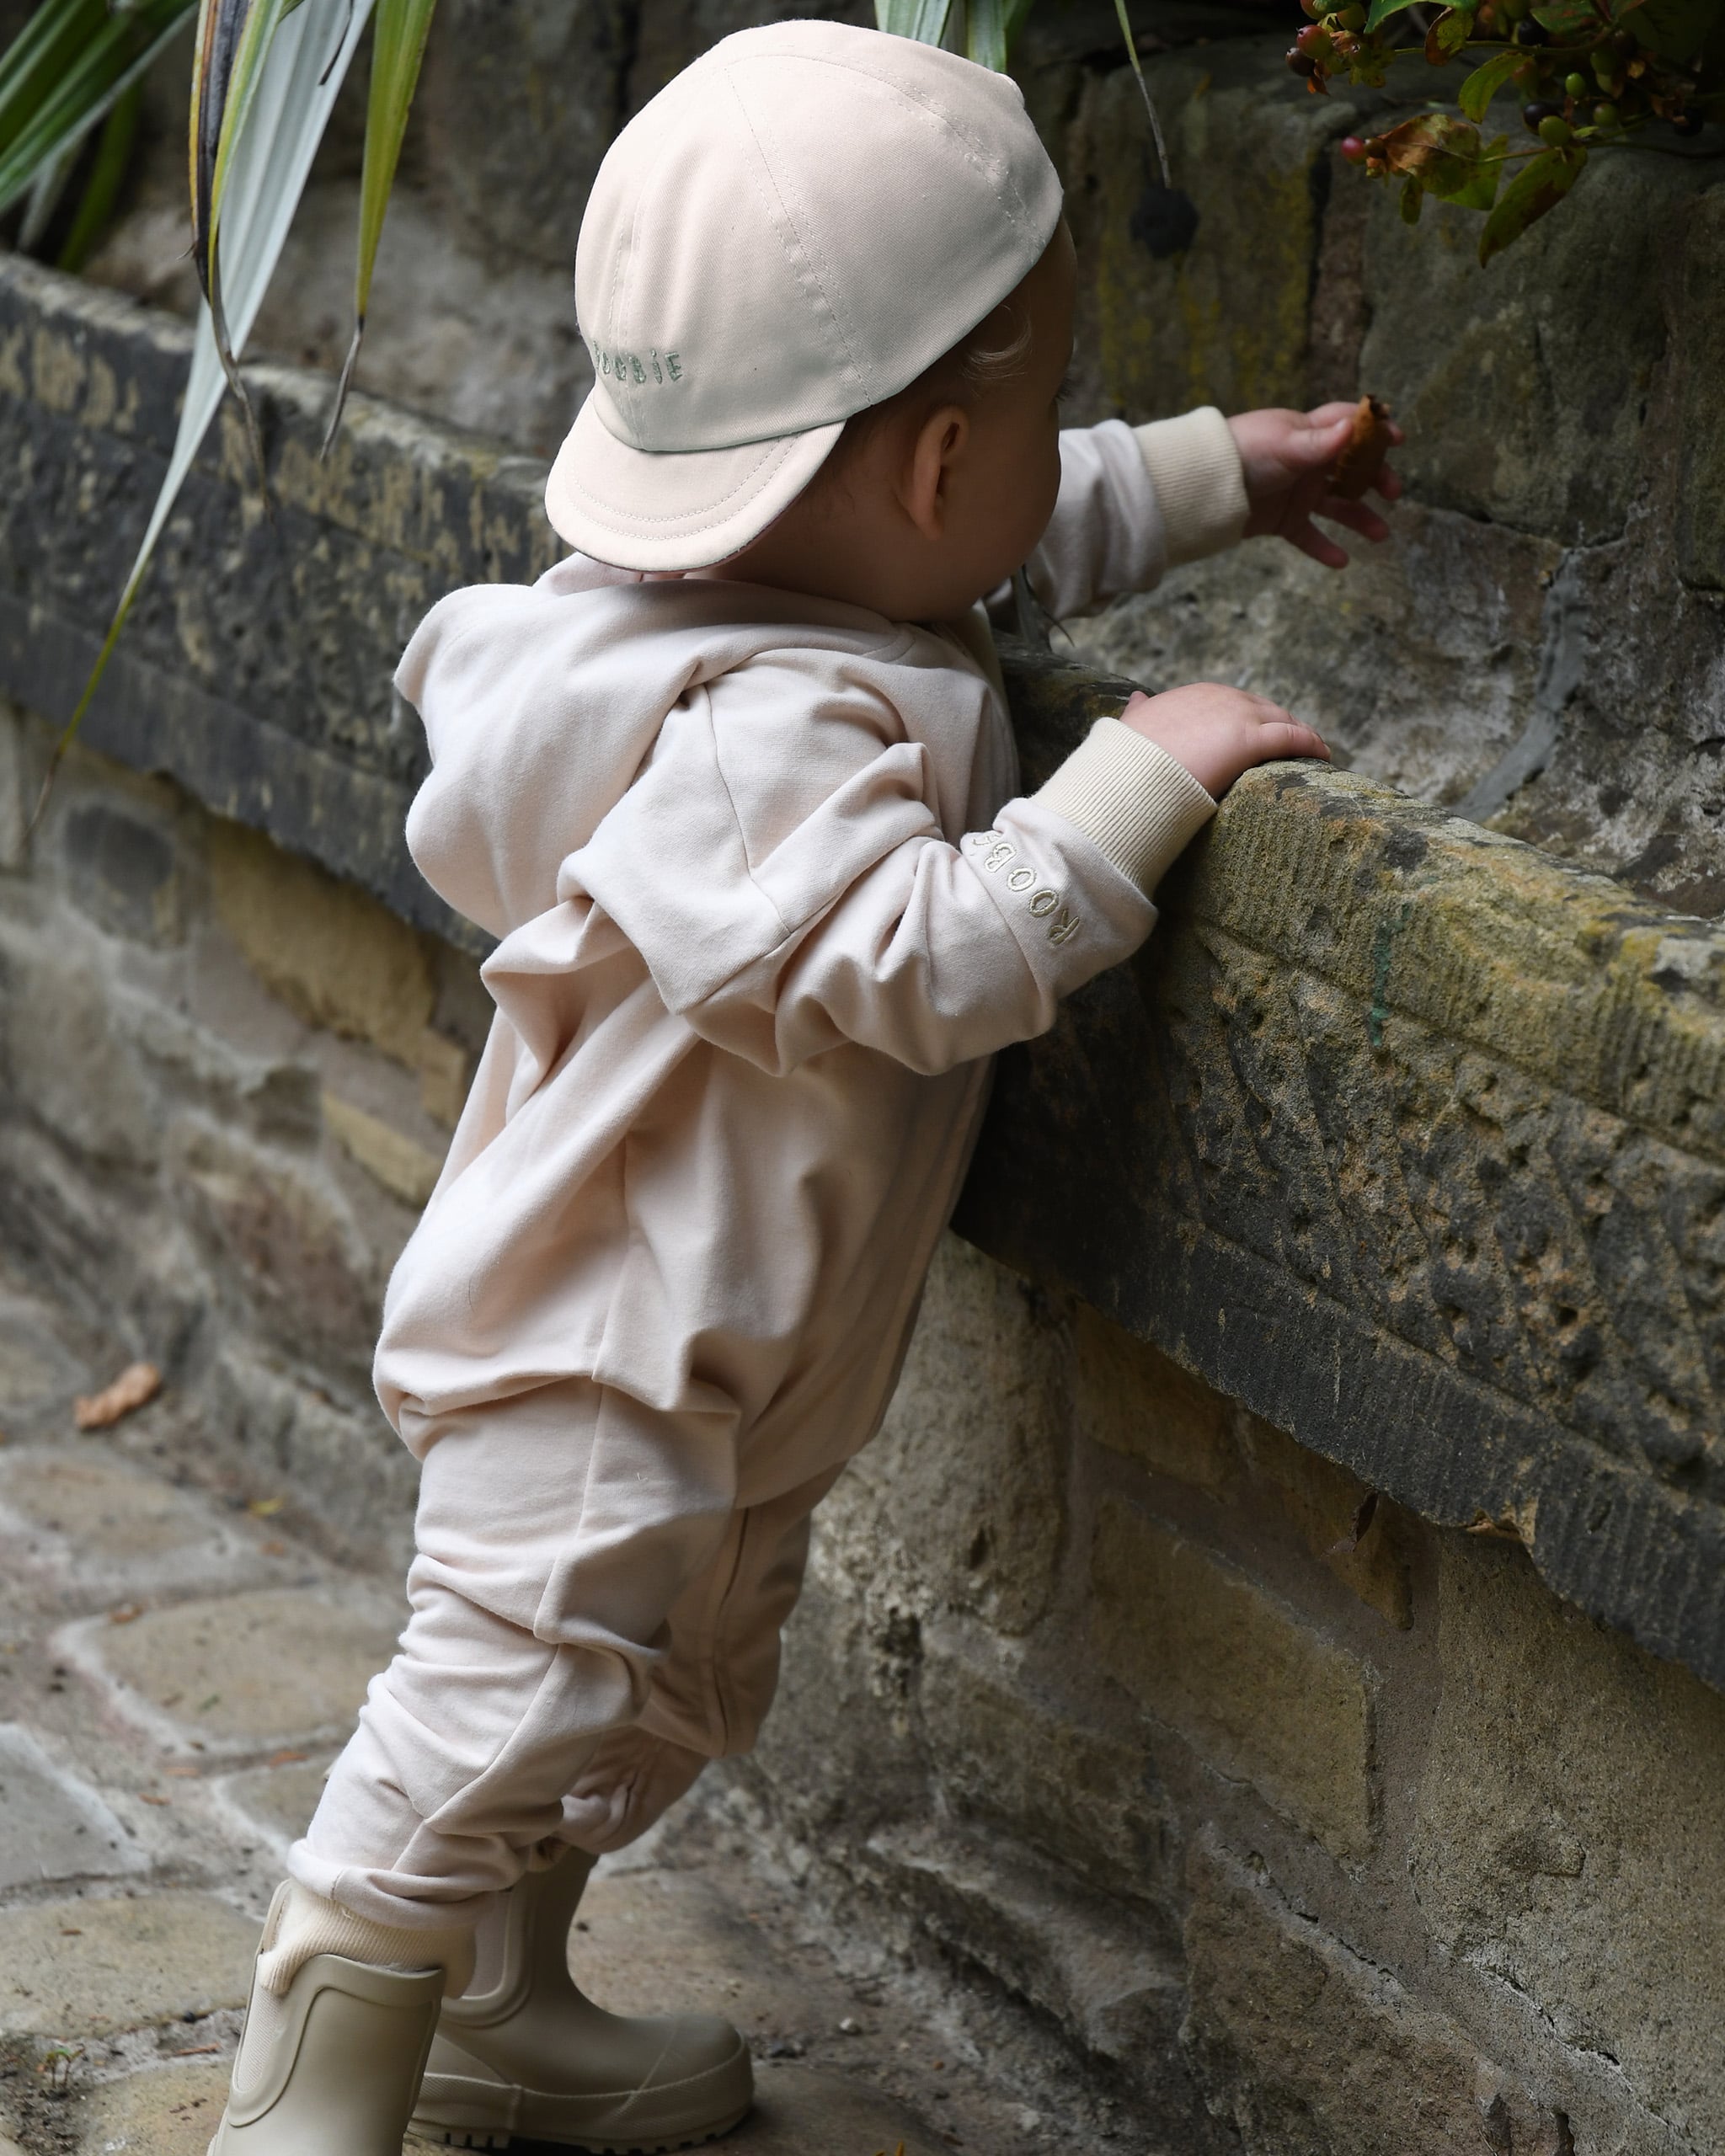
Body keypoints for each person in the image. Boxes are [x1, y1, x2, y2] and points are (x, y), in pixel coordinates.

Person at [209, 19, 1398, 2153]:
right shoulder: (762, 723)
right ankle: (313, 2073)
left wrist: (1230, 466)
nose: (1052, 453)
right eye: (1041, 407)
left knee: (648, 1684)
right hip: (601, 1347)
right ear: (934, 464)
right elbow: (916, 957)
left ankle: (489, 1999)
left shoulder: (784, 566)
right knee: (508, 1686)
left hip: (716, 1343)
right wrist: (1143, 776)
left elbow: (1017, 523)